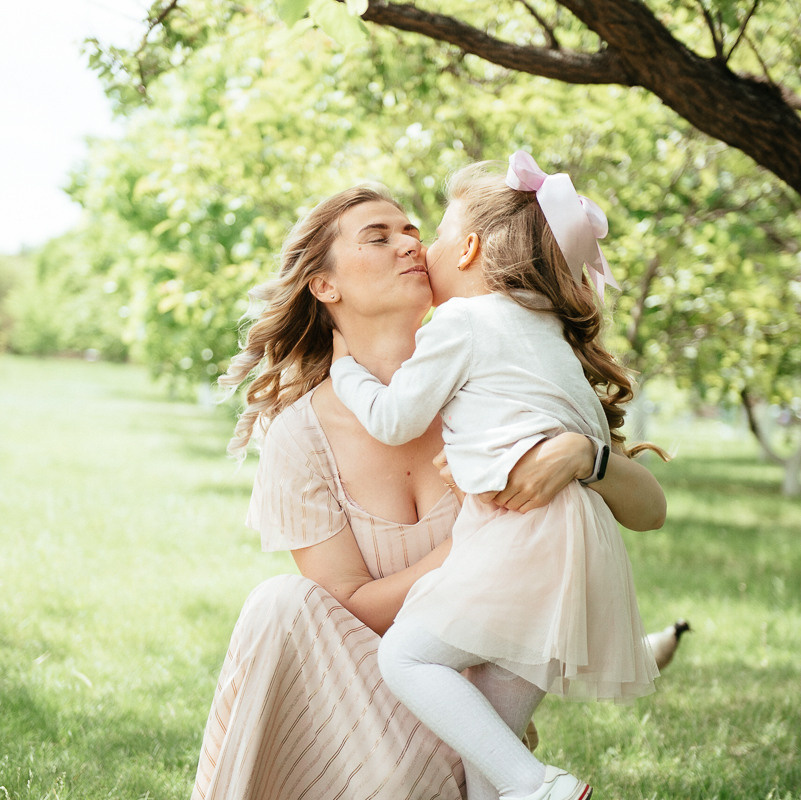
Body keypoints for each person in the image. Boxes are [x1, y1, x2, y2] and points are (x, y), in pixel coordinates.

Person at [191, 180, 666, 800]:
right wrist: (478, 545)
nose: (411, 244)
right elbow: (348, 606)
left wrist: (586, 456)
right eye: (378, 236)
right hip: (363, 709)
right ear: (325, 286)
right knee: (280, 601)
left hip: (472, 720)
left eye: (415, 230)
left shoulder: (498, 387)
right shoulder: (300, 435)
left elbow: (652, 511)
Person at [328, 152, 663, 800]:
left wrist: (346, 370)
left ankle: (543, 787)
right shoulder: (549, 334)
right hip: (575, 555)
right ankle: (522, 786)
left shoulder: (461, 322)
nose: (419, 248)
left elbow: (396, 421)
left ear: (468, 249)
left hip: (519, 541)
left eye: (434, 235)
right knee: (488, 764)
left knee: (406, 657)